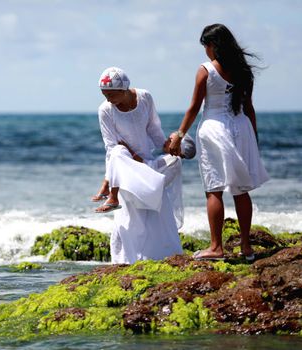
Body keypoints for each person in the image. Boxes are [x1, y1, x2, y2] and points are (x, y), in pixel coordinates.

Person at [168, 24, 269, 261]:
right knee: (241, 189)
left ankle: (216, 247)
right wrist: (253, 139)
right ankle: (246, 248)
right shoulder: (244, 71)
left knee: (213, 189)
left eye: (205, 45)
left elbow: (194, 107)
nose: (205, 50)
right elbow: (249, 108)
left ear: (213, 45)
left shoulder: (206, 70)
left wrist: (179, 136)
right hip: (241, 127)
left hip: (215, 129)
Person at [94, 66, 184, 264]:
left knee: (175, 162)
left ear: (124, 89)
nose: (107, 99)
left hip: (145, 162)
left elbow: (153, 129)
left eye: (111, 94)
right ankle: (127, 258)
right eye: (104, 94)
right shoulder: (105, 110)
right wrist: (107, 181)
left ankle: (161, 257)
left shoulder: (144, 98)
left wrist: (167, 146)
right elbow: (112, 148)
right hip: (124, 167)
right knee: (118, 152)